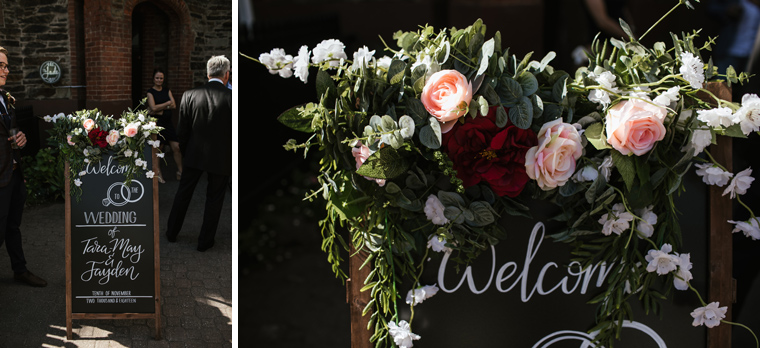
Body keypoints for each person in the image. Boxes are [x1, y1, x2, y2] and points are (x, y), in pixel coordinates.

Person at [166, 55, 232, 252]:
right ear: (227, 75)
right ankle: (204, 242)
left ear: (208, 73)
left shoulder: (189, 95)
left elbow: (182, 131)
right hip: (221, 158)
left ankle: (171, 233)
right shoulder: (232, 98)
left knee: (183, 193)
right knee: (214, 199)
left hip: (194, 155)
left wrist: (187, 153)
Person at [0, 46, 46, 287]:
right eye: (1, 65)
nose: (6, 70)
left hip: (14, 174)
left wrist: (21, 139)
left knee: (13, 227)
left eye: (6, 65)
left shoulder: (6, 98)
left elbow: (11, 131)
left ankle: (20, 270)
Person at [146, 68, 182, 183]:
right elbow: (153, 108)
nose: (159, 80)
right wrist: (166, 104)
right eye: (157, 78)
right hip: (157, 124)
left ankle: (181, 172)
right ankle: (158, 174)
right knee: (159, 149)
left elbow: (174, 105)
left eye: (161, 78)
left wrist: (159, 109)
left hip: (168, 123)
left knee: (176, 147)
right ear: (153, 79)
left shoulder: (167, 90)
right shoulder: (150, 92)